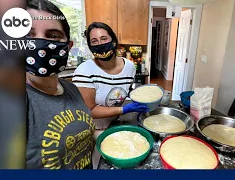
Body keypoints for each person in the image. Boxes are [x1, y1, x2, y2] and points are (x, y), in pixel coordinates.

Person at [25, 0, 94, 169]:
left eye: (53, 36)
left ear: (68, 46)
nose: (40, 44)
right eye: (28, 35)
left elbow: (82, 134)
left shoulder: (71, 88)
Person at [72, 22, 149, 136]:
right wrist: (123, 110)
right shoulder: (84, 71)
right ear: (90, 46)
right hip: (92, 129)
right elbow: (88, 111)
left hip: (115, 122)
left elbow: (124, 91)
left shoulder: (129, 67)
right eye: (94, 41)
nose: (100, 44)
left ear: (113, 41)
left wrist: (137, 97)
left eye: (104, 39)